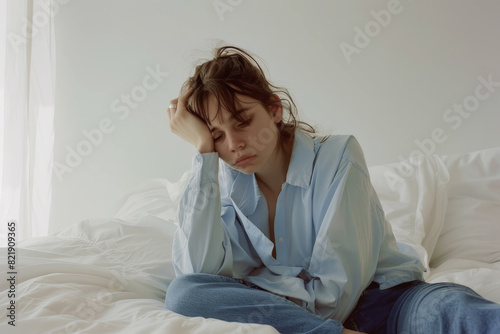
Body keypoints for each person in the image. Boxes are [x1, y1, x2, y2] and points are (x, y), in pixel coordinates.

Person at [164, 45, 500, 334]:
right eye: (217, 135)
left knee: (453, 310)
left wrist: (262, 287)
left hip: (387, 303)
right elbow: (198, 275)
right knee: (183, 294)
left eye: (242, 121)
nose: (234, 144)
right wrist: (204, 155)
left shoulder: (338, 157)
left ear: (274, 109)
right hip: (297, 321)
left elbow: (336, 297)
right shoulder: (216, 185)